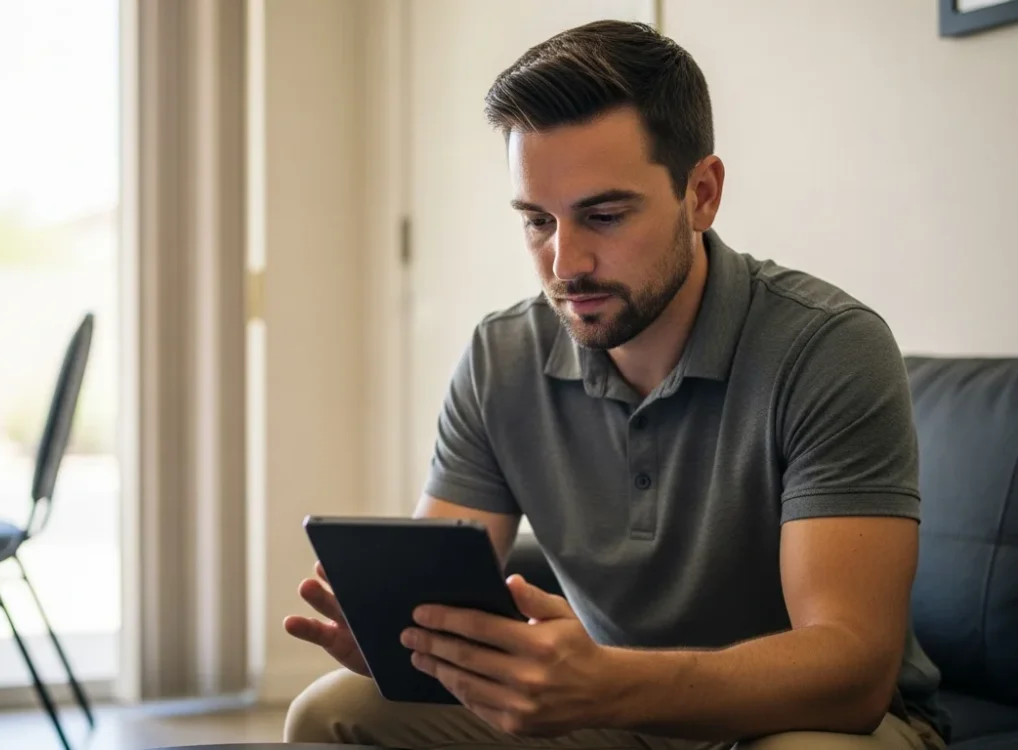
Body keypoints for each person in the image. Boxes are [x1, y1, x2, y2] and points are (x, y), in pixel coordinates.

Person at [282, 19, 948, 750]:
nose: (565, 263)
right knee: (330, 712)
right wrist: (407, 640)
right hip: (611, 709)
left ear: (701, 194)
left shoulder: (829, 349)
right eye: (538, 221)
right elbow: (439, 588)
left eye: (603, 216)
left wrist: (608, 683)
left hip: (799, 720)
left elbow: (852, 673)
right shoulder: (501, 355)